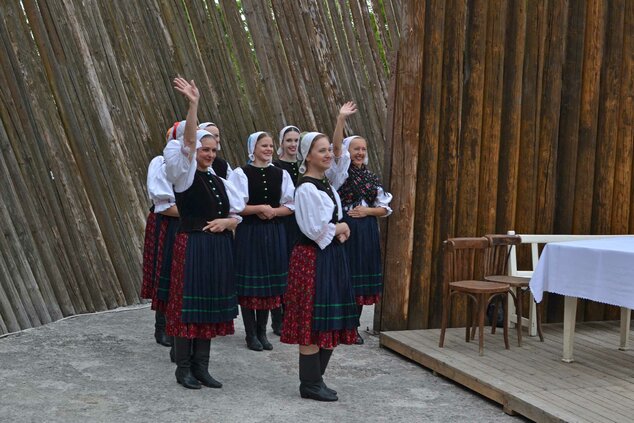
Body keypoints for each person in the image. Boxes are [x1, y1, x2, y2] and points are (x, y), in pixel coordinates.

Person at [163, 77, 245, 390]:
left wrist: (230, 223)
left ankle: (202, 367)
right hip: (194, 245)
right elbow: (186, 142)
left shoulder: (217, 179)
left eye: (213, 150)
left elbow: (236, 211)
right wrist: (194, 105)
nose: (209, 154)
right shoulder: (183, 175)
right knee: (189, 306)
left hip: (217, 248)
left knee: (208, 306)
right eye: (204, 149)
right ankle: (183, 368)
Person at [281, 132, 358, 402]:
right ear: (308, 156)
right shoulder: (306, 188)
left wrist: (340, 229)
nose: (328, 155)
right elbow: (315, 229)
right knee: (312, 320)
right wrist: (341, 227)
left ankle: (316, 379)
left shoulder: (326, 185)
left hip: (330, 256)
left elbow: (332, 220)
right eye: (322, 151)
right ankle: (310, 383)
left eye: (329, 150)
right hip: (312, 259)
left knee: (328, 319)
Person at [330, 102, 393, 345]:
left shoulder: (369, 176)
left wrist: (367, 210)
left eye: (363, 149)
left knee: (360, 280)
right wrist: (341, 120)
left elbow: (385, 208)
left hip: (366, 231)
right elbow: (336, 148)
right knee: (347, 278)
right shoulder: (341, 172)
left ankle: (353, 327)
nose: (360, 153)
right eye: (356, 149)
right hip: (348, 230)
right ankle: (343, 326)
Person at [229, 132, 295, 351]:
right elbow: (235, 206)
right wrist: (258, 209)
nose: (268, 149)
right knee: (251, 284)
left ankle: (262, 332)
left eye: (270, 145)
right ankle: (250, 334)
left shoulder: (280, 174)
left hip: (274, 231)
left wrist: (274, 212)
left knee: (268, 284)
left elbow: (291, 205)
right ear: (253, 148)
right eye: (263, 145)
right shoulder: (241, 173)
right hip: (250, 231)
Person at [140, 153, 179, 348]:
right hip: (165, 223)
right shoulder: (160, 163)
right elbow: (161, 204)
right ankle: (161, 326)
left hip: (186, 224)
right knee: (164, 270)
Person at [270, 125, 302, 336]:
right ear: (281, 143)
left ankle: (292, 315)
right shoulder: (276, 167)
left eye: (296, 140)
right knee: (280, 268)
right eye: (289, 140)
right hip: (282, 222)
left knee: (296, 270)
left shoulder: (303, 166)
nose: (292, 144)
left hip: (300, 223)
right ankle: (278, 319)